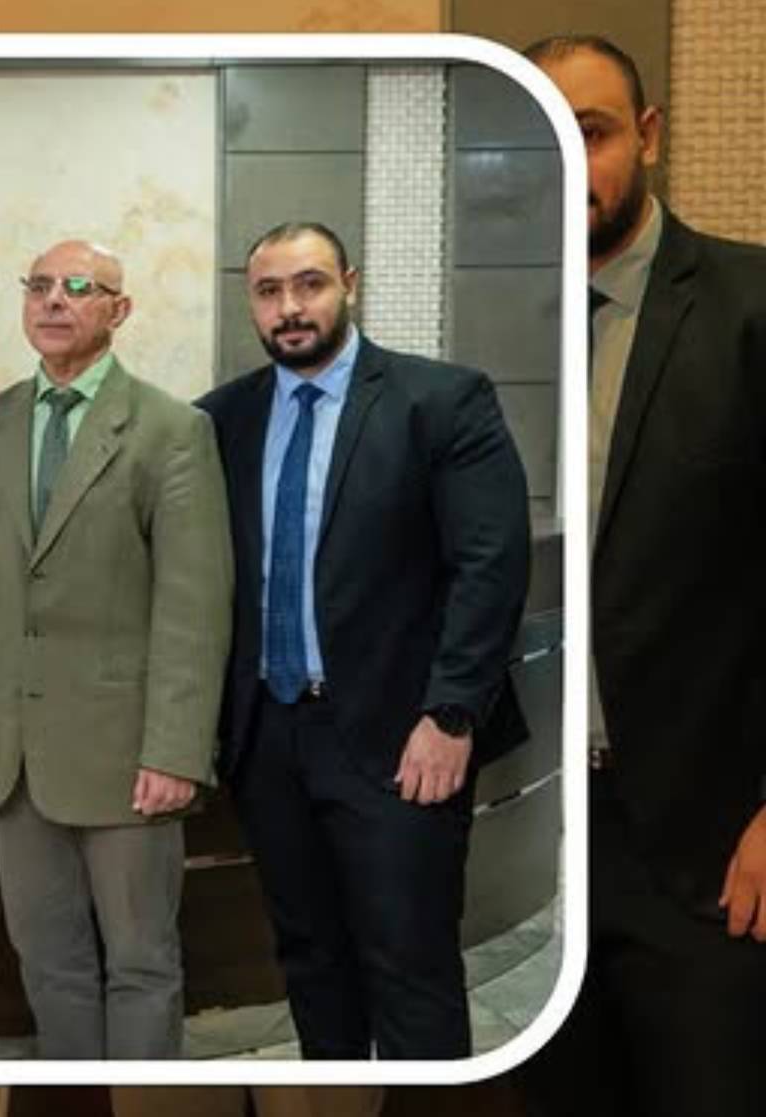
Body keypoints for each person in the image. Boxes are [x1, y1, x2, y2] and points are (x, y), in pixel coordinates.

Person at [196, 221, 531, 1059]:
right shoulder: (221, 419)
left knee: (410, 968)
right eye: (269, 291)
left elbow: (489, 566)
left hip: (401, 738)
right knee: (311, 962)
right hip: (268, 740)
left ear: (350, 283)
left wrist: (452, 713)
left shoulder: (441, 400)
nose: (290, 307)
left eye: (309, 284)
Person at [518, 35, 766, 1116]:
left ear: (649, 136)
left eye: (594, 131)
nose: (573, 161)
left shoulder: (749, 306)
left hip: (710, 849)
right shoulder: (491, 330)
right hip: (538, 853)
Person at [0, 239, 232, 1059]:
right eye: (38, 285)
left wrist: (175, 750)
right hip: (11, 756)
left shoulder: (172, 430)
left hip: (127, 756)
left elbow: (194, 606)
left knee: (142, 962)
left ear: (119, 309)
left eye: (78, 286)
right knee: (48, 962)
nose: (53, 300)